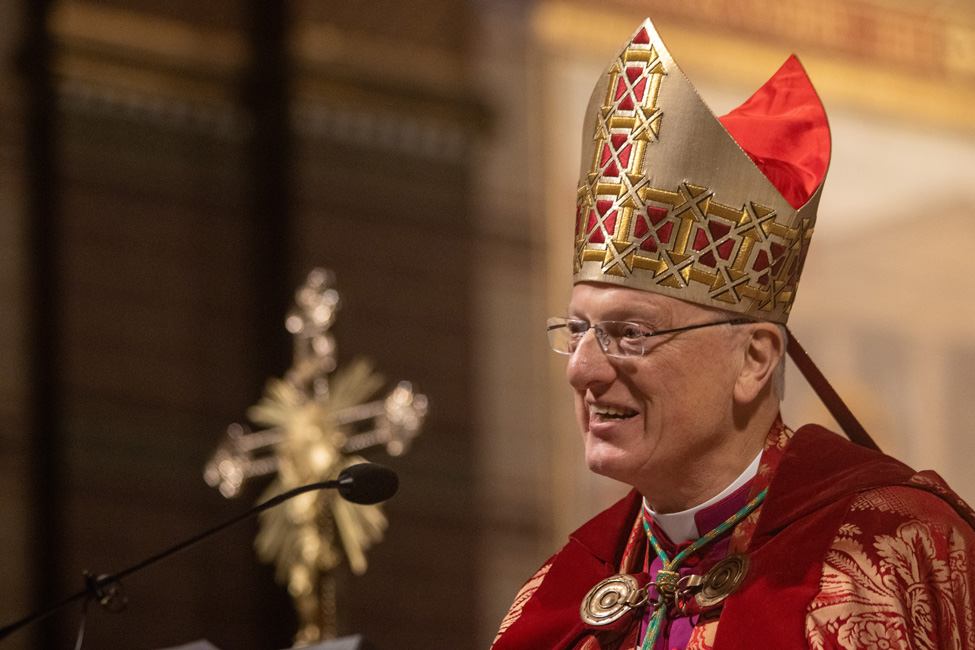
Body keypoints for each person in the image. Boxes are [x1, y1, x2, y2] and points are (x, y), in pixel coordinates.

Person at [491, 17, 975, 650]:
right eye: (577, 330)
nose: (582, 369)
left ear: (753, 358)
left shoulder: (891, 553)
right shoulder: (558, 596)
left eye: (630, 333)